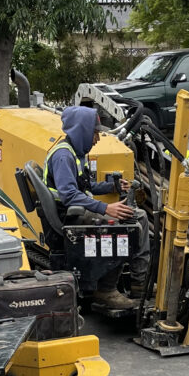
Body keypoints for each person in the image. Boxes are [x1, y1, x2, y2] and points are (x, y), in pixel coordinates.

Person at [43, 106, 150, 309]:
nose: (97, 139)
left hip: (79, 211)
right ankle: (106, 289)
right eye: (95, 133)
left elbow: (85, 186)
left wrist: (112, 186)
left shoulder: (75, 152)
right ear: (81, 131)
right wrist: (105, 209)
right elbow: (69, 196)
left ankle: (139, 282)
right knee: (125, 225)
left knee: (140, 216)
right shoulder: (63, 157)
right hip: (71, 216)